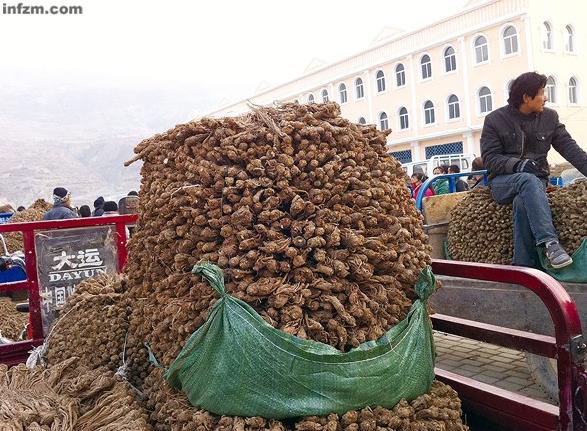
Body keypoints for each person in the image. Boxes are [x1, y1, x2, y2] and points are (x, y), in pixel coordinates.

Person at [481, 71, 587, 269]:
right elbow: (490, 159)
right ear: (526, 97)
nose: (545, 97)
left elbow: (569, 148)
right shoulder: (495, 120)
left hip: (537, 183)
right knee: (526, 180)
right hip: (503, 183)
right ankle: (551, 243)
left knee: (523, 202)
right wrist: (517, 165)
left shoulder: (549, 117)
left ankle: (524, 266)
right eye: (541, 93)